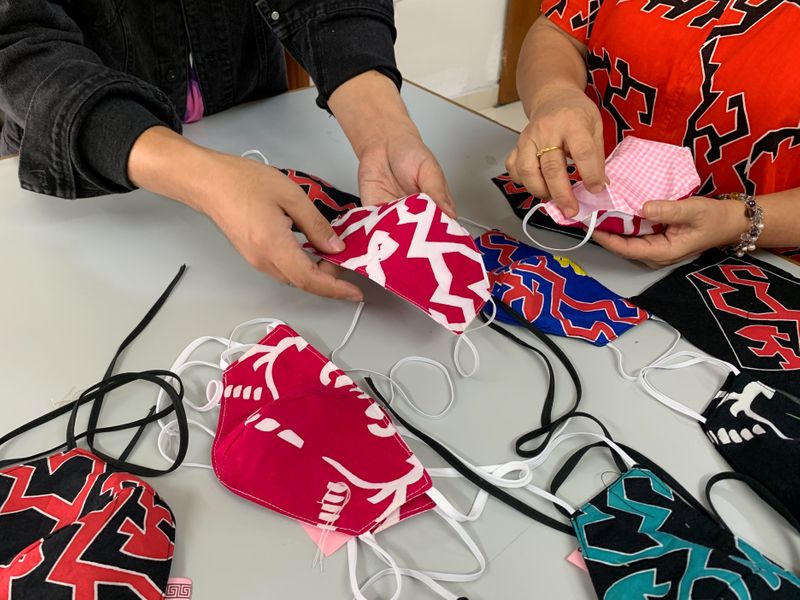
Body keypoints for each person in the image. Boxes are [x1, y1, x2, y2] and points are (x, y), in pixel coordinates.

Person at [0, 0, 454, 299]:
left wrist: (381, 125)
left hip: (257, 115)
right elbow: (16, 39)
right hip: (79, 175)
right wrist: (204, 178)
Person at [506, 1, 800, 267]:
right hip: (582, 216)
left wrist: (738, 221)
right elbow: (562, 30)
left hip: (763, 264)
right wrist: (554, 95)